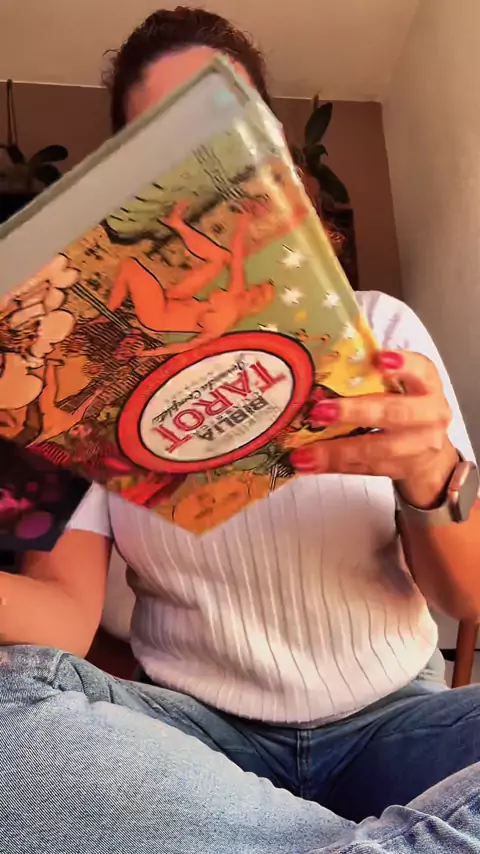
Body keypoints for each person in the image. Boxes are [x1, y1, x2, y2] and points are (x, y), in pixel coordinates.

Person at [2, 7, 480, 853]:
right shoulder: (88, 383)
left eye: (225, 131)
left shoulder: (378, 326)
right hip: (198, 741)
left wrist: (434, 476)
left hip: (392, 723)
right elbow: (66, 624)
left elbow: (467, 599)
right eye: (158, 144)